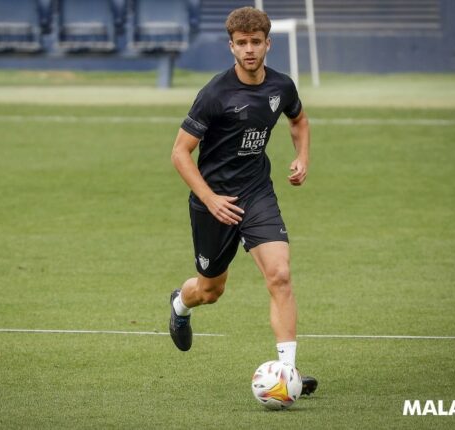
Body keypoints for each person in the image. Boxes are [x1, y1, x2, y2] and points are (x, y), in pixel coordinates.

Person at [168, 7, 317, 395]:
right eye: (241, 44)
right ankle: (180, 305)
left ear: (268, 43)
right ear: (231, 47)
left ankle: (287, 374)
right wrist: (211, 198)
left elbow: (298, 120)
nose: (249, 50)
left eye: (255, 42)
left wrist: (302, 157)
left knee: (280, 275)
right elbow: (180, 153)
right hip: (212, 203)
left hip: (256, 194)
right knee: (210, 291)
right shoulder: (215, 94)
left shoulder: (282, 86)